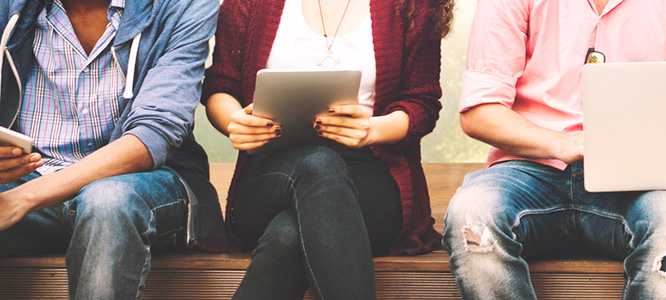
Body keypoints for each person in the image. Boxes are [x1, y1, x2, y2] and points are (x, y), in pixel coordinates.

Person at [441, 0, 666, 299]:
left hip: (634, 177)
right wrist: (560, 143)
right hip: (528, 172)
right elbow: (478, 112)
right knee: (472, 215)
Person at [201, 0, 450, 298]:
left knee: (289, 233)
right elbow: (221, 86)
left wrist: (373, 129)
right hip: (268, 173)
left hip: (371, 174)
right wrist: (234, 121)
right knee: (317, 164)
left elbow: (421, 101)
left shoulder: (413, 5)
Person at [0, 0, 227, 298]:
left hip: (140, 187)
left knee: (107, 200)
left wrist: (21, 199)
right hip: (28, 179)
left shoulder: (182, 5)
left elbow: (153, 135)